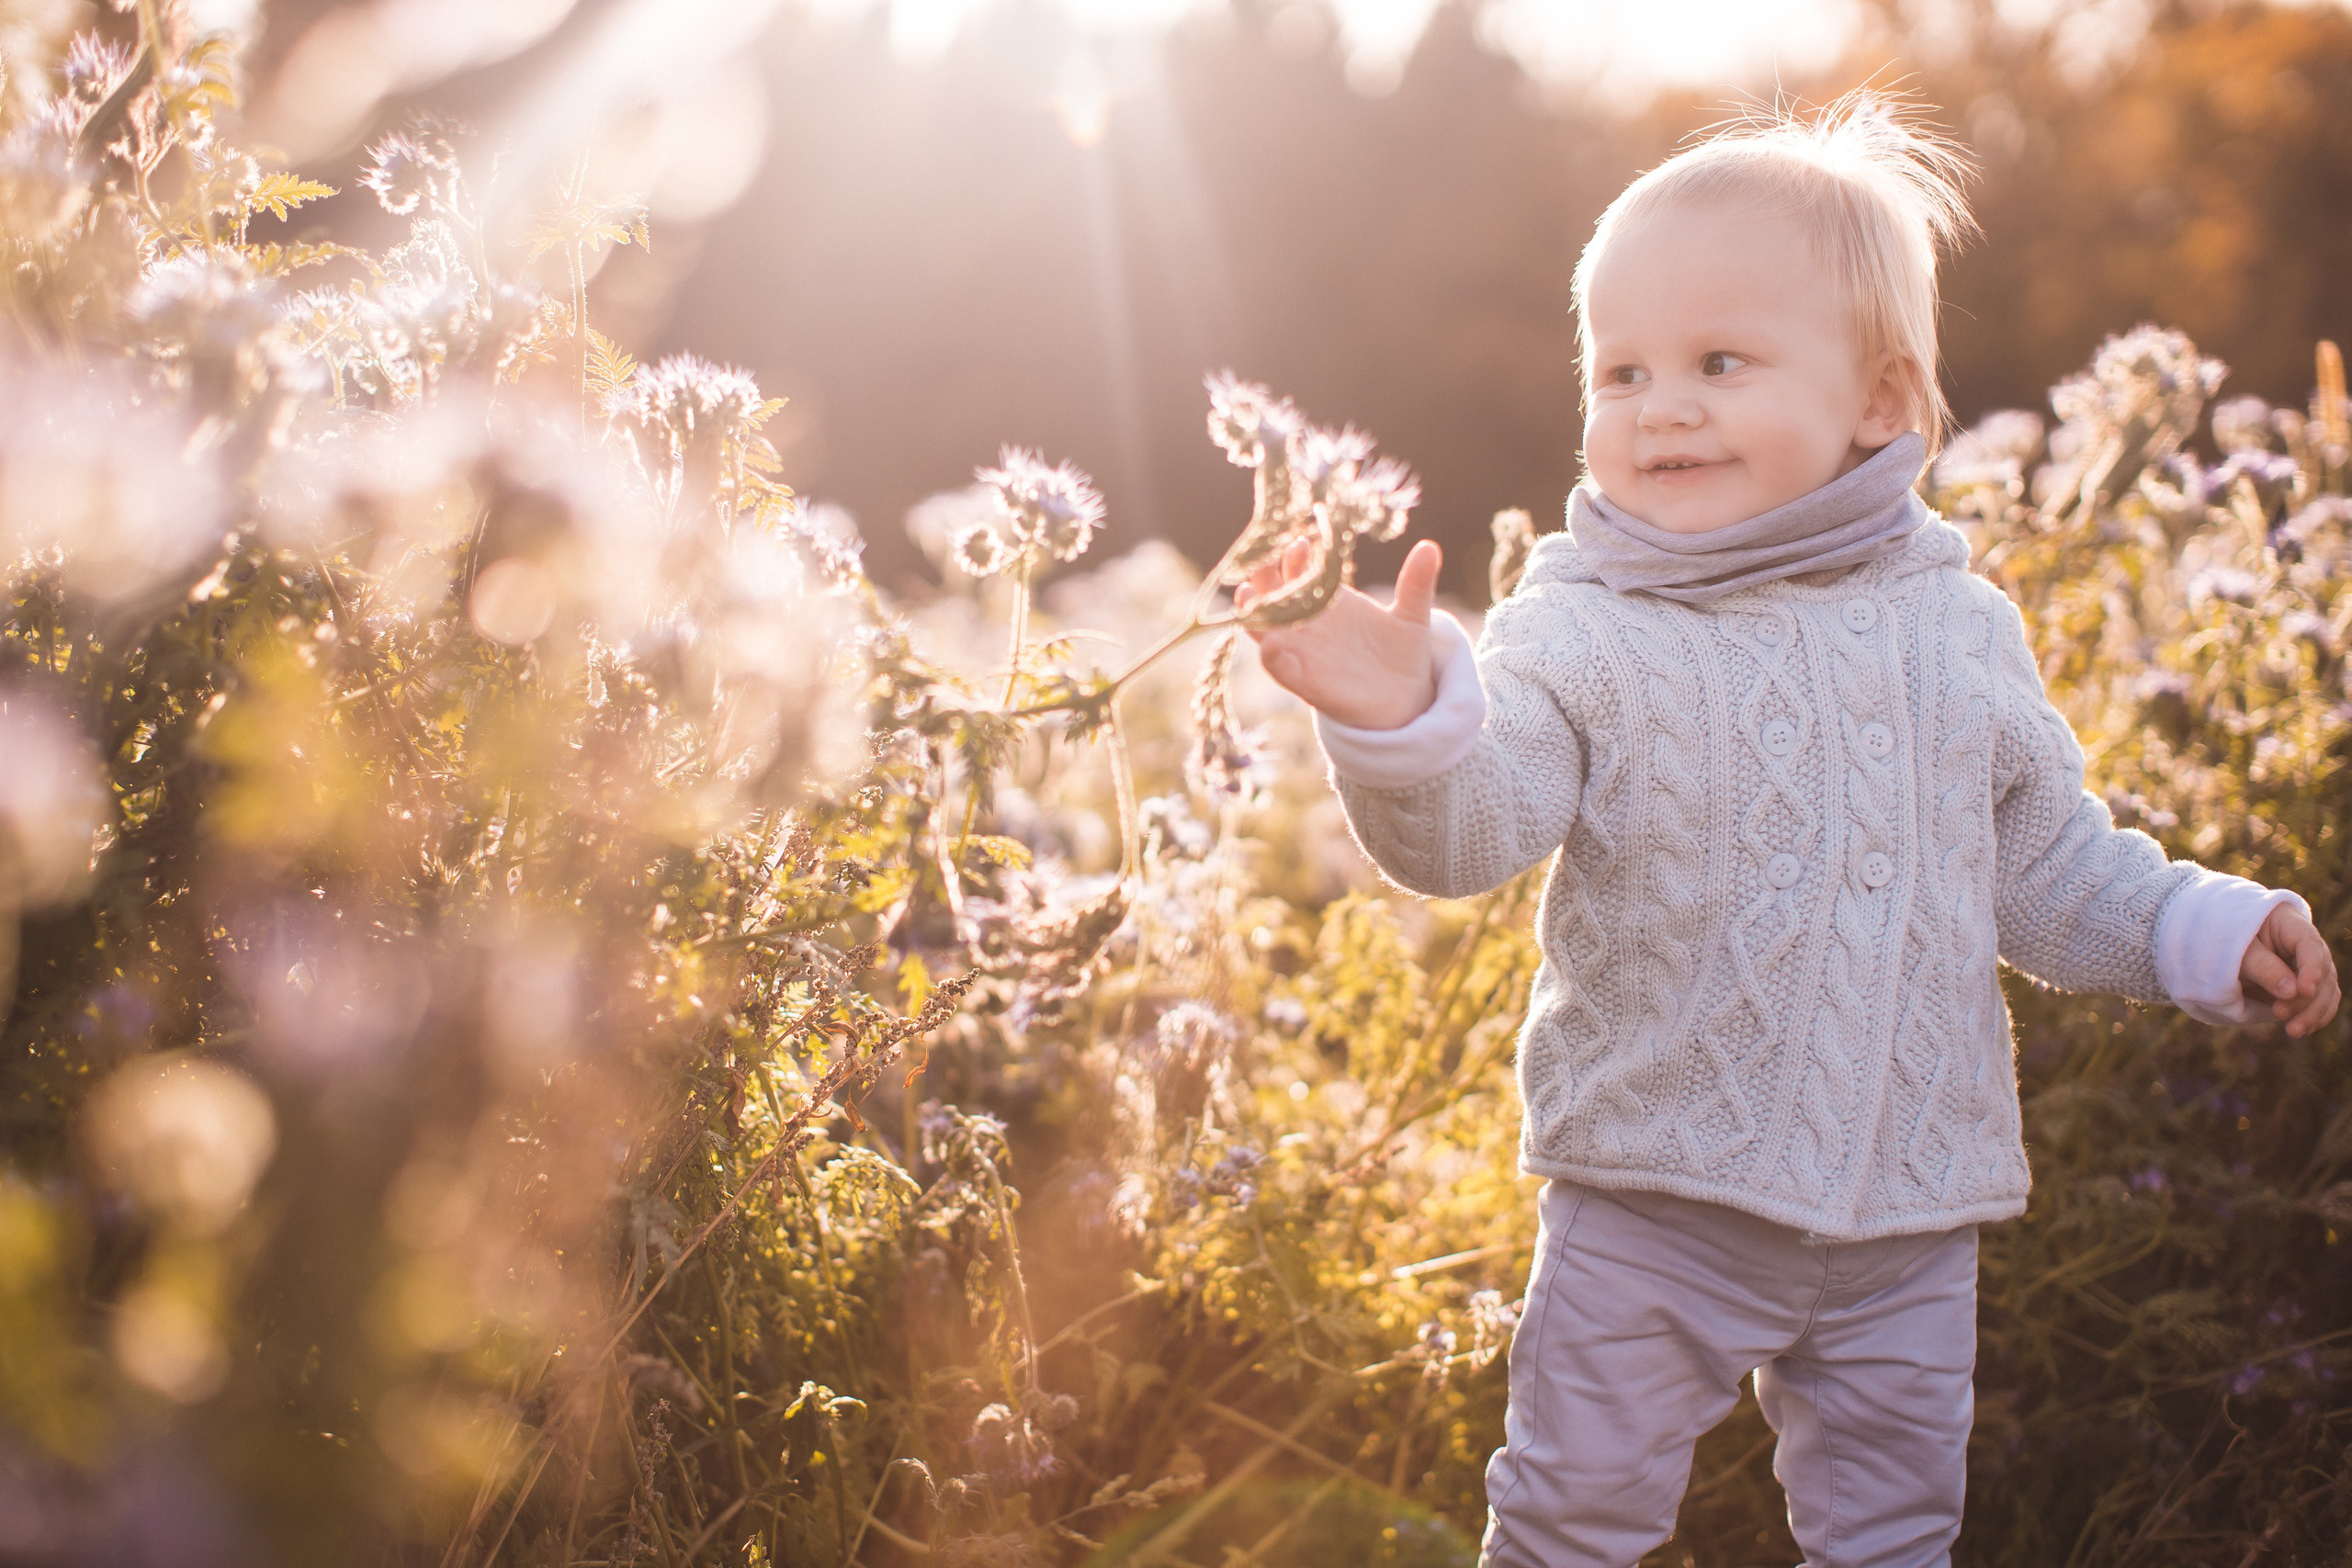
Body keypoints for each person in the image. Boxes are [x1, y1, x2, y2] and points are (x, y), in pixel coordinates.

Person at [1236, 95, 2342, 1568]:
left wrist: (2203, 924)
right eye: (1618, 370)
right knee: (1571, 1515)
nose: (1660, 406)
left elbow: (2041, 863)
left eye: (1719, 361)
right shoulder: (1585, 629)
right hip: (1655, 1202)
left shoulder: (1956, 629)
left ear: (1879, 400)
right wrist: (1406, 728)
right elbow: (1473, 832)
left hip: (1906, 1220)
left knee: (1891, 1535)